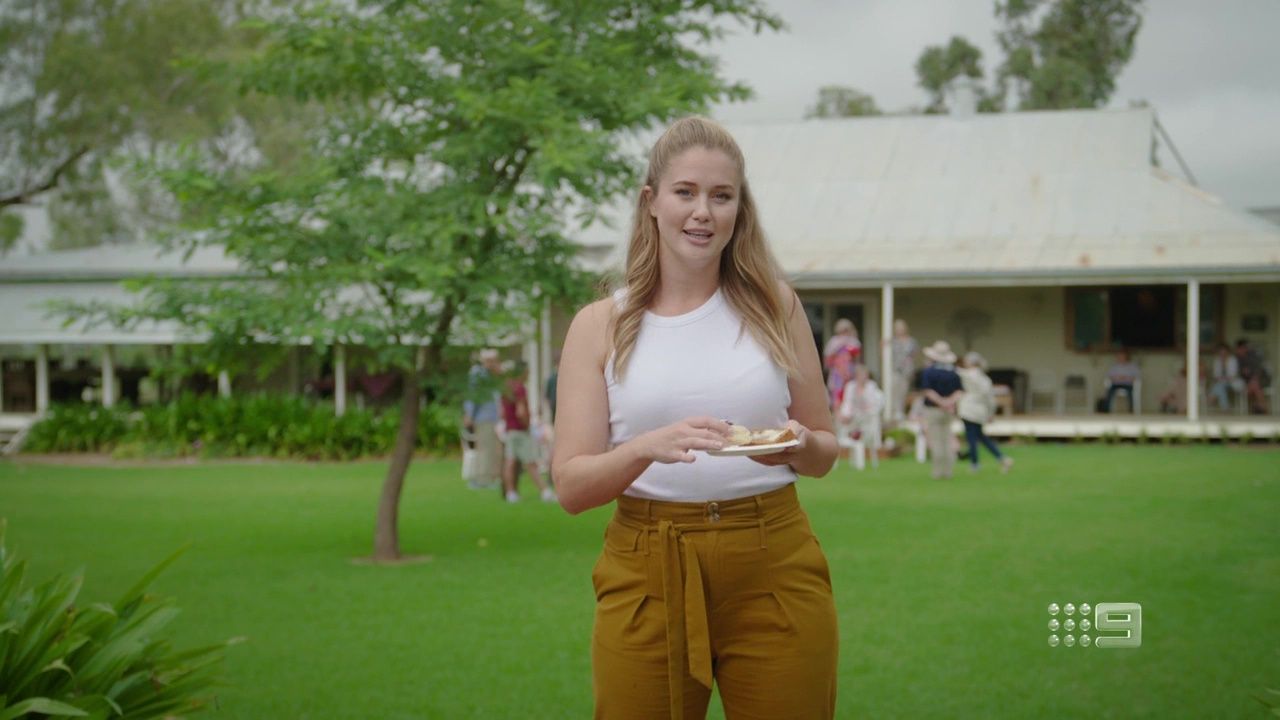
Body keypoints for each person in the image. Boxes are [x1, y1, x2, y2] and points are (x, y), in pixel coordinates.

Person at [551, 117, 839, 719]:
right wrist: (644, 448)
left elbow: (824, 452)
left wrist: (799, 444)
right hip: (647, 565)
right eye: (685, 192)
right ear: (651, 202)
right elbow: (572, 487)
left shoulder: (776, 306)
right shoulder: (599, 325)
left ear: (740, 208)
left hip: (773, 558)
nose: (703, 212)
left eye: (721, 195)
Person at [499, 361, 557, 503]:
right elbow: (521, 411)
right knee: (530, 462)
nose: (528, 375)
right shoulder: (519, 388)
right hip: (520, 430)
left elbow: (502, 412)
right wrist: (526, 425)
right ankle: (545, 491)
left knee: (510, 461)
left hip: (510, 429)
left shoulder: (506, 388)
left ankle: (510, 493)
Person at [957, 351, 1012, 473]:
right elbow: (990, 399)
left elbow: (957, 372)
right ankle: (1002, 458)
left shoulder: (969, 375)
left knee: (972, 437)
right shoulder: (985, 379)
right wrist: (991, 413)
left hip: (968, 409)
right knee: (980, 436)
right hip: (980, 411)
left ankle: (975, 464)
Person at [919, 340, 962, 480]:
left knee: (936, 440)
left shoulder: (929, 372)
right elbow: (959, 392)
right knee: (947, 439)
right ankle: (948, 471)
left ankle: (938, 472)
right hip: (948, 410)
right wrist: (948, 402)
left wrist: (941, 402)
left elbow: (928, 391)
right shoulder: (953, 373)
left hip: (933, 409)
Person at [462, 348, 503, 490]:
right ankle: (482, 479)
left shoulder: (491, 376)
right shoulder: (478, 374)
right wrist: (469, 415)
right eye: (490, 361)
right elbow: (473, 396)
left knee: (492, 449)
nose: (493, 364)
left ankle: (490, 477)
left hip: (493, 418)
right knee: (485, 449)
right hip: (483, 417)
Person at [838, 364, 884, 469]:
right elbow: (847, 404)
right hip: (853, 421)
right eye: (860, 375)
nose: (863, 377)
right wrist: (845, 415)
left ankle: (857, 438)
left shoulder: (872, 387)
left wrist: (865, 409)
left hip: (867, 423)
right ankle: (850, 436)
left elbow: (876, 406)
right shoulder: (850, 386)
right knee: (844, 422)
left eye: (864, 375)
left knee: (862, 426)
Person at [890, 319, 919, 421]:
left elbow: (914, 354)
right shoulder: (892, 341)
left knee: (904, 390)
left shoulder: (911, 341)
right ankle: (895, 412)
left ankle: (901, 411)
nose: (899, 330)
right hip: (895, 369)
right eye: (897, 328)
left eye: (901, 328)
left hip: (907, 370)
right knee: (894, 389)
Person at [1235, 338, 1272, 414]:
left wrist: (1252, 377)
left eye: (1240, 348)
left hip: (1263, 379)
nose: (1238, 351)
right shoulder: (1238, 359)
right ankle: (1260, 407)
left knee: (1254, 385)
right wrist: (1244, 373)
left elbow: (1259, 371)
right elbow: (1240, 374)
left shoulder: (1253, 355)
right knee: (1252, 387)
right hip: (1248, 382)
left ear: (1244, 348)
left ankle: (1261, 408)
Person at [1209, 342, 1243, 411]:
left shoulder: (1233, 360)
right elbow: (1215, 375)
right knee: (1220, 387)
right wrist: (1220, 378)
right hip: (1221, 382)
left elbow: (1233, 375)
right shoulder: (1217, 361)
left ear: (1227, 352)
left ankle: (1211, 400)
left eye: (1224, 352)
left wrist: (1222, 378)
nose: (1222, 354)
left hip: (1233, 382)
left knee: (1218, 386)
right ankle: (1225, 408)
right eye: (1220, 352)